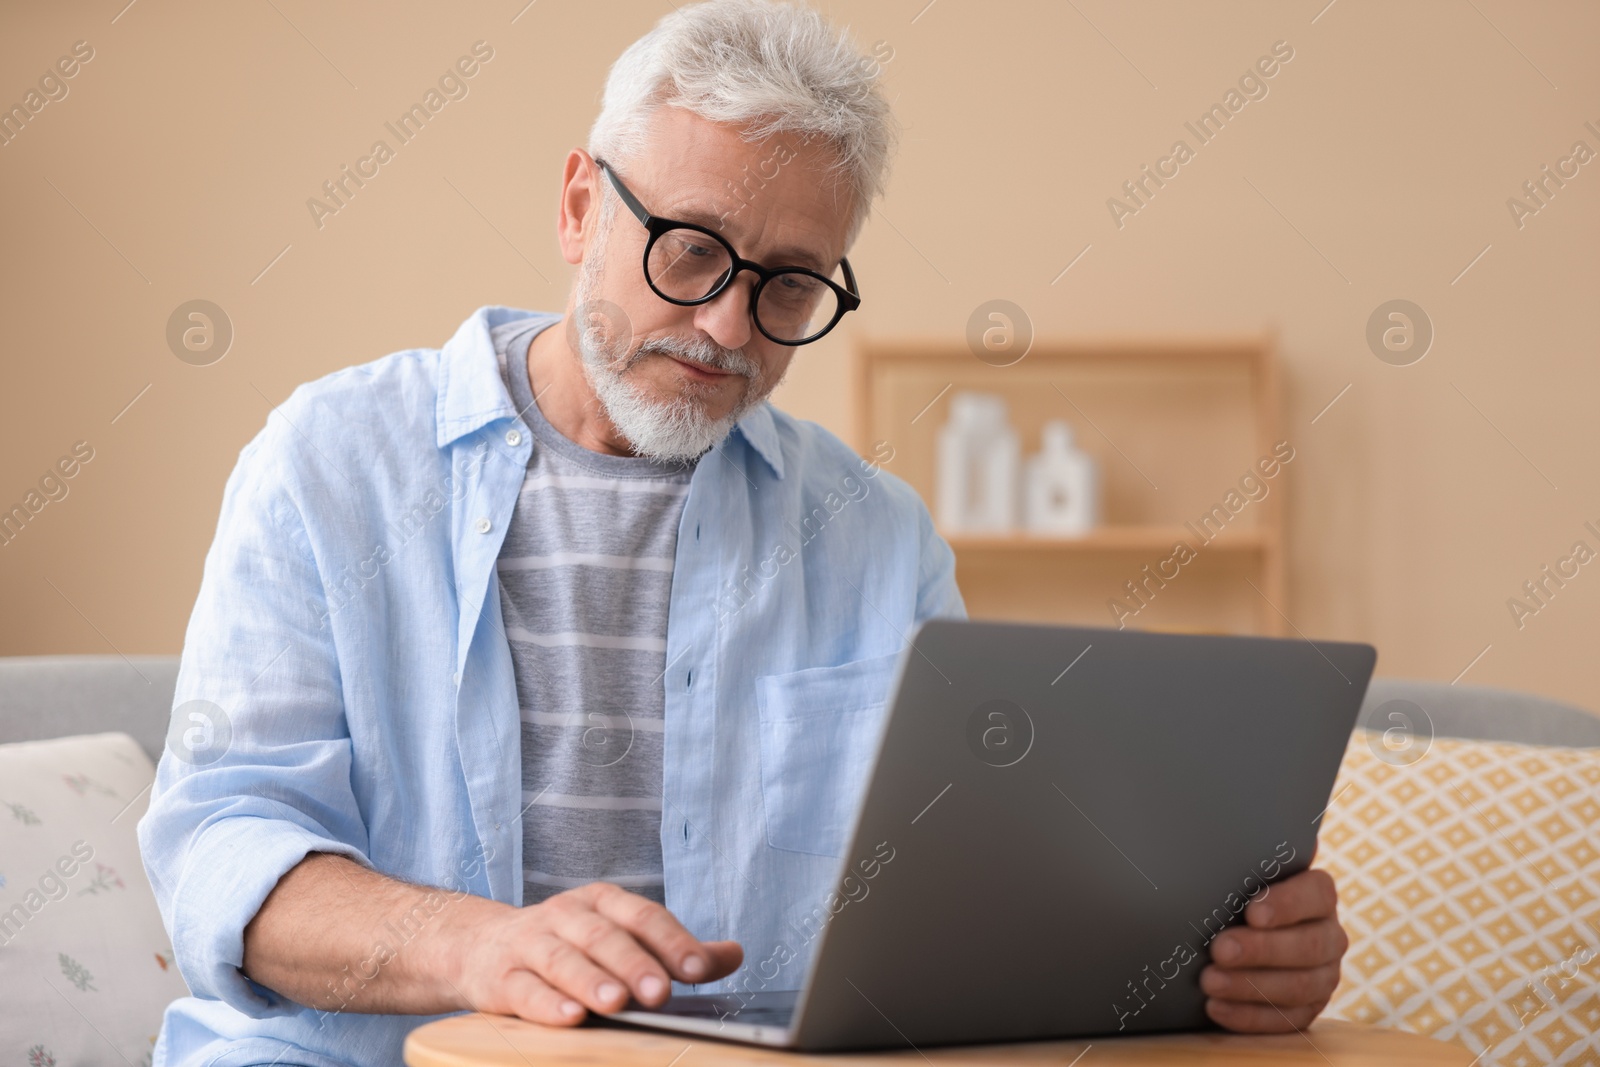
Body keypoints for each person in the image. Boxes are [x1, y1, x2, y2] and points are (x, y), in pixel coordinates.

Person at [137, 2, 1349, 1064]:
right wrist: (481, 947)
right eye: (692, 250)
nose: (726, 325)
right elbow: (220, 846)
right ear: (578, 208)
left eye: (786, 283)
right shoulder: (332, 462)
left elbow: (973, 894)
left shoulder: (874, 538)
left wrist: (1213, 965)